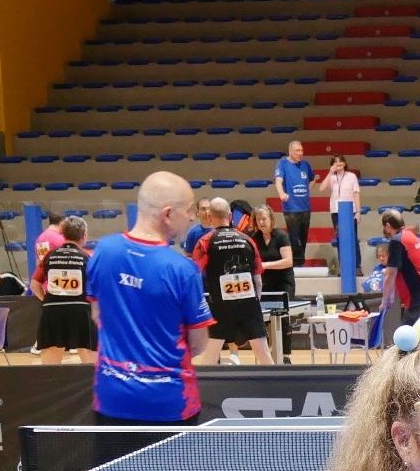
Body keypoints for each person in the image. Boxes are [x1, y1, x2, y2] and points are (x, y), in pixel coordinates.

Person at [84, 172, 211, 424]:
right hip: (170, 404)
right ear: (167, 214)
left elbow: (97, 315)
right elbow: (199, 343)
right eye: (188, 209)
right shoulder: (183, 269)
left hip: (112, 398)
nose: (192, 217)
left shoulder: (103, 251)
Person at [193, 197, 271, 365]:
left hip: (220, 307)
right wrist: (255, 303)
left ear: (210, 217)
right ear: (230, 216)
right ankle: (278, 383)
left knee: (210, 357)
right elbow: (258, 279)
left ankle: (206, 384)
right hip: (249, 305)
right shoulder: (248, 241)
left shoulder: (205, 242)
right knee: (264, 355)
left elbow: (194, 275)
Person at [33, 214, 98, 365]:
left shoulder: (49, 256)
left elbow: (35, 284)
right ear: (84, 235)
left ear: (62, 234)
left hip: (52, 312)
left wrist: (46, 301)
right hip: (81, 311)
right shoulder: (89, 257)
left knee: (50, 368)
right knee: (90, 364)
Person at [380, 208, 420, 327]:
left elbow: (391, 274)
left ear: (388, 226)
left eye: (383, 227)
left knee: (407, 335)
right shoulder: (409, 235)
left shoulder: (396, 241)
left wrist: (385, 301)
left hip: (419, 298)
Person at [274, 140, 315, 252]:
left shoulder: (306, 164)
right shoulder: (283, 164)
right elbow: (278, 181)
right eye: (297, 150)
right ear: (290, 151)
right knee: (294, 239)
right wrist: (282, 193)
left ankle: (300, 259)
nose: (300, 153)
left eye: (301, 150)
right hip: (291, 208)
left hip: (305, 207)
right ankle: (296, 261)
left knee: (303, 238)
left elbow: (313, 179)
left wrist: (307, 189)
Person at [248, 204, 295, 298]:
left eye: (264, 219)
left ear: (271, 219)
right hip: (265, 284)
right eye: (258, 219)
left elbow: (288, 262)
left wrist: (265, 265)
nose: (261, 222)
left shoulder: (281, 236)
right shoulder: (254, 238)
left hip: (283, 283)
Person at [315, 152, 363, 220]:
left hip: (350, 209)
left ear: (344, 163)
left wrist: (358, 212)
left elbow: (356, 194)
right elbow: (321, 188)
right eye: (335, 162)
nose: (338, 163)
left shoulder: (352, 176)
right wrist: (330, 173)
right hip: (336, 210)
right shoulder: (332, 177)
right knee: (337, 227)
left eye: (340, 161)